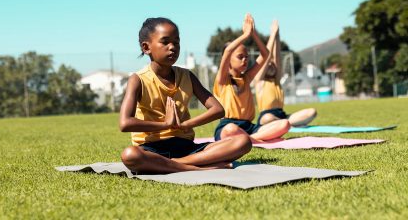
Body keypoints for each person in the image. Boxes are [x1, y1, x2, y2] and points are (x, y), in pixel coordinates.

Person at [119, 17, 252, 174]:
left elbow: (218, 110)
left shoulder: (187, 76)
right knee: (130, 155)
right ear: (146, 47)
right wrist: (165, 124)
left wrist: (185, 125)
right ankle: (198, 166)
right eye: (165, 42)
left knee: (243, 141)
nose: (172, 47)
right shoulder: (138, 79)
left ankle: (176, 164)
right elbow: (125, 123)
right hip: (152, 149)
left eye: (176, 42)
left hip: (186, 148)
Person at [213, 14, 290, 143]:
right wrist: (245, 35)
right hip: (228, 127)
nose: (245, 60)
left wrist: (253, 34)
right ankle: (256, 140)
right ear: (228, 60)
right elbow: (227, 52)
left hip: (249, 127)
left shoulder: (247, 78)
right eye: (240, 57)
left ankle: (250, 139)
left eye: (247, 57)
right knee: (230, 129)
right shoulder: (222, 80)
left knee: (285, 124)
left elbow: (266, 54)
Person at [254, 20, 317, 127]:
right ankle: (285, 124)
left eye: (272, 64)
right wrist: (272, 34)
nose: (271, 65)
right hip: (267, 117)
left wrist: (277, 35)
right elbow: (266, 56)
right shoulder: (259, 81)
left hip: (282, 116)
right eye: (268, 65)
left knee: (312, 112)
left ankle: (284, 124)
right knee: (267, 118)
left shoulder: (277, 80)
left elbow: (277, 56)